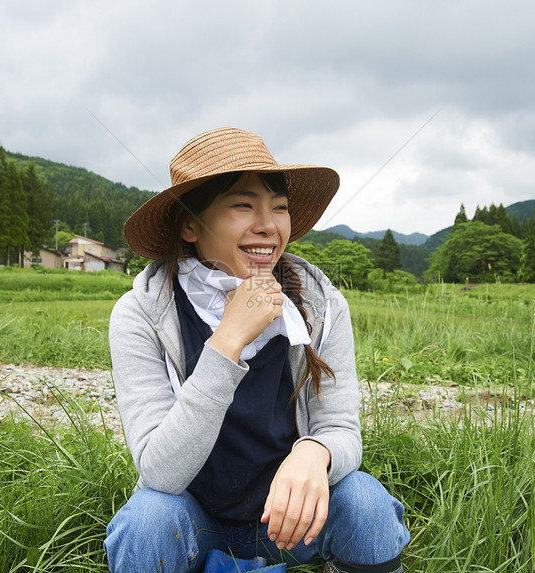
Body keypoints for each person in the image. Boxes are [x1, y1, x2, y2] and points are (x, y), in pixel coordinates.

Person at [105, 127, 410, 573]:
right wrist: (229, 340)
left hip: (288, 520)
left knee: (365, 502)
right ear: (190, 224)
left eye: (280, 208)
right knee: (147, 520)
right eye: (243, 205)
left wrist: (315, 451)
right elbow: (160, 473)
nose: (268, 225)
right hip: (193, 520)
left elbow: (341, 427)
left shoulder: (322, 304)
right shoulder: (142, 313)